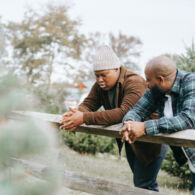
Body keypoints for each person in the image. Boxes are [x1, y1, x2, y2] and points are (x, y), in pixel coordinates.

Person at [60, 45, 166, 191]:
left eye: (104, 74)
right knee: (143, 185)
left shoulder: (134, 82)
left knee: (144, 185)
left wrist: (83, 117)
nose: (99, 79)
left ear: (116, 69)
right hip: (132, 139)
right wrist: (76, 113)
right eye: (96, 75)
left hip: (152, 140)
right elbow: (88, 104)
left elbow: (123, 113)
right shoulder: (100, 86)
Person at [121, 55, 195, 194]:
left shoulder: (192, 83)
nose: (147, 84)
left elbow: (188, 119)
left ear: (161, 79)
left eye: (149, 80)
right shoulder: (157, 91)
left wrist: (145, 127)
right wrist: (129, 123)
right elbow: (137, 110)